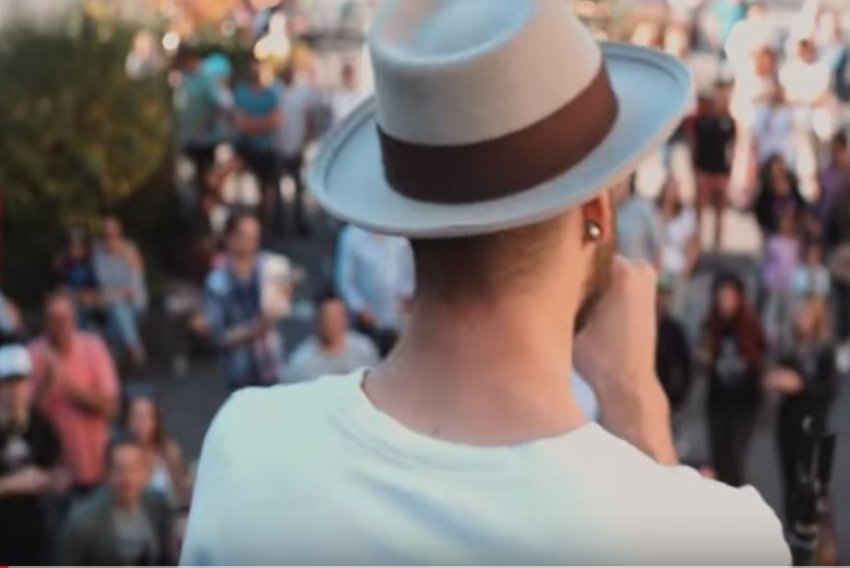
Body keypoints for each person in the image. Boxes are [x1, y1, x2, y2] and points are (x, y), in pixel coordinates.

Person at [182, 2, 788, 564]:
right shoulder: (720, 539)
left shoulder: (249, 453)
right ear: (597, 213)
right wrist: (635, 405)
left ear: (404, 218)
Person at [28, 291, 120, 495]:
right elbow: (26, 417)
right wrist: (46, 383)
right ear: (45, 321)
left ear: (74, 319)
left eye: (65, 318)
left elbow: (110, 408)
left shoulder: (93, 347)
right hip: (56, 473)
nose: (60, 324)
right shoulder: (33, 354)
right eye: (54, 319)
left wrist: (66, 385)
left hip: (97, 464)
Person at [766, 297, 837, 524]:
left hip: (814, 424)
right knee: (790, 480)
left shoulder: (825, 350)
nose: (801, 319)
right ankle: (792, 527)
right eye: (800, 314)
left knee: (813, 484)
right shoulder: (790, 347)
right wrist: (776, 381)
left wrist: (801, 385)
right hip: (788, 423)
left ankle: (814, 529)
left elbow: (829, 390)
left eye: (807, 315)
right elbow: (776, 374)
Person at [203, 212, 291, 390]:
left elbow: (281, 308)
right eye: (245, 236)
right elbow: (217, 333)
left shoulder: (272, 267)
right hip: (238, 369)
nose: (251, 242)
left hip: (271, 362)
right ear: (230, 238)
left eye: (255, 236)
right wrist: (253, 330)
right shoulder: (217, 281)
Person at [55, 436, 174, 566]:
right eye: (119, 469)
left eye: (133, 468)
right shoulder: (83, 521)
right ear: (107, 473)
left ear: (144, 472)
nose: (127, 477)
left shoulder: (157, 507)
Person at [0, 343, 64, 565]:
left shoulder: (40, 425)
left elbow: (57, 469)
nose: (15, 391)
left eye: (21, 383)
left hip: (35, 537)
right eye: (8, 384)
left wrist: (53, 480)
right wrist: (14, 484)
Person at [702, 274, 767, 488]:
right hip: (718, 399)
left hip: (743, 402)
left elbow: (761, 356)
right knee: (718, 457)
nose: (725, 302)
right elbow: (704, 356)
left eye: (729, 296)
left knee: (735, 459)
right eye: (721, 296)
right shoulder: (712, 323)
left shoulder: (749, 323)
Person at [336, 224, 414, 356]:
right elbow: (345, 282)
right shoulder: (351, 236)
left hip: (398, 321)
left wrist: (406, 297)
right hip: (365, 324)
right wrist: (360, 308)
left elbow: (410, 273)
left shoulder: (401, 236)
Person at [233, 57, 283, 235]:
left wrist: (252, 124)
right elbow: (241, 122)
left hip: (266, 150)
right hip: (245, 148)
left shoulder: (272, 93)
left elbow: (275, 121)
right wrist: (261, 123)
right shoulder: (241, 92)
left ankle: (265, 225)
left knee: (266, 190)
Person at [174, 47, 233, 195]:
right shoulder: (184, 77)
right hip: (189, 138)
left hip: (206, 139)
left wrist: (203, 124)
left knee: (205, 178)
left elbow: (218, 106)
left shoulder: (206, 78)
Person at [286, 292, 379, 384]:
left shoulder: (363, 348)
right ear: (317, 322)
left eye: (339, 316)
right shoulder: (301, 363)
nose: (335, 323)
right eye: (329, 318)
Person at [93, 216, 148, 367]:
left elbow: (132, 291)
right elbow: (101, 284)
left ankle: (129, 348)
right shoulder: (98, 253)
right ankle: (133, 348)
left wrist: (108, 295)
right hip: (107, 302)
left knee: (118, 308)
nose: (109, 238)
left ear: (119, 234)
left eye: (112, 234)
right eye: (105, 234)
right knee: (114, 309)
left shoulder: (130, 251)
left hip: (134, 303)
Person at [275, 64, 322, 236]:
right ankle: (279, 224)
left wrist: (309, 136)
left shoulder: (303, 92)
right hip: (278, 146)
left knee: (299, 187)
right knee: (278, 188)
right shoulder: (276, 91)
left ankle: (299, 222)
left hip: (297, 145)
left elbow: (312, 114)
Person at [123, 391, 190, 509]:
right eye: (136, 417)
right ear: (128, 421)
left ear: (155, 421)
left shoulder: (169, 451)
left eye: (147, 416)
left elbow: (182, 494)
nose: (141, 423)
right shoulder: (122, 457)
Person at [693, 82, 736, 250]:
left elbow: (732, 147)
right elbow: (695, 145)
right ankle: (697, 243)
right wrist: (695, 169)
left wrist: (730, 170)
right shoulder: (703, 122)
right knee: (700, 210)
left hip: (721, 171)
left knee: (720, 210)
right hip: (705, 169)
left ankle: (717, 244)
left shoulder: (729, 123)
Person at [655, 277, 693, 444]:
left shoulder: (674, 329)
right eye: (657, 294)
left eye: (663, 295)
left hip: (668, 396)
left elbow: (686, 365)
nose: (660, 299)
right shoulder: (640, 326)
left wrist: (680, 397)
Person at [762, 206, 802, 351]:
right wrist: (768, 280)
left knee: (789, 315)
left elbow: (798, 264)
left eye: (789, 221)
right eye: (784, 221)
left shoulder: (796, 242)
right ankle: (770, 343)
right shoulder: (774, 241)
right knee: (772, 314)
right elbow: (768, 263)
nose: (787, 224)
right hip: (775, 284)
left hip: (791, 285)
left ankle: (788, 346)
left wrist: (799, 284)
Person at [656, 179, 699, 315]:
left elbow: (692, 245)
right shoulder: (654, 212)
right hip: (659, 270)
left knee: (674, 310)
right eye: (669, 189)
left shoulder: (686, 214)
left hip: (677, 269)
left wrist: (686, 270)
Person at [52, 225, 100, 326]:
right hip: (70, 303)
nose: (75, 250)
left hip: (92, 307)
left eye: (79, 246)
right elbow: (58, 289)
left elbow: (98, 290)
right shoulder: (62, 265)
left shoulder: (93, 264)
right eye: (71, 246)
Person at [614, 176, 663, 265]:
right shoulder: (609, 210)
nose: (616, 187)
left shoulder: (643, 207)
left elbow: (658, 246)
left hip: (640, 270)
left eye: (619, 184)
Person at [754, 154, 807, 237]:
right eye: (775, 168)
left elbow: (802, 206)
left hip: (796, 233)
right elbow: (762, 216)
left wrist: (797, 222)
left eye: (780, 167)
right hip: (775, 235)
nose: (778, 171)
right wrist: (778, 225)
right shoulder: (766, 193)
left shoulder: (793, 186)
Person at [818, 131, 850, 222]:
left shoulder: (847, 170)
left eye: (837, 148)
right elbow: (822, 195)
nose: (834, 152)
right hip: (827, 218)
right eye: (833, 148)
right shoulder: (827, 171)